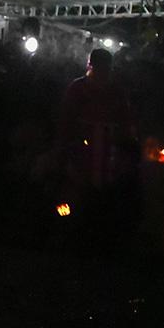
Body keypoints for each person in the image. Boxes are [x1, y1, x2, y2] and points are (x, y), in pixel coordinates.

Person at [55, 47, 138, 230]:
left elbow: (126, 123)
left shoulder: (117, 91)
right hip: (81, 153)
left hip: (109, 156)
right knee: (76, 196)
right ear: (90, 66)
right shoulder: (77, 88)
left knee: (104, 200)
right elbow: (66, 120)